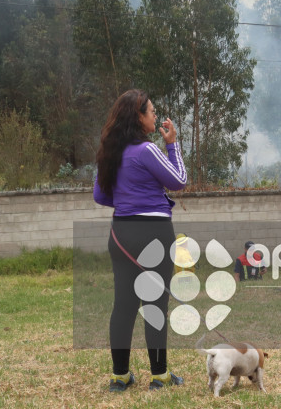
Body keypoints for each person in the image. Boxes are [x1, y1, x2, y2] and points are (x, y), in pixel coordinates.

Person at [93, 89, 188, 392]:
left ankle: (120, 376)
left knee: (123, 305)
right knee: (155, 304)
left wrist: (129, 202)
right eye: (151, 111)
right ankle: (159, 376)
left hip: (120, 234)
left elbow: (100, 195)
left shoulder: (110, 151)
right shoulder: (147, 150)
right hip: (154, 234)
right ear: (138, 117)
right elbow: (179, 181)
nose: (156, 115)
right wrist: (172, 145)